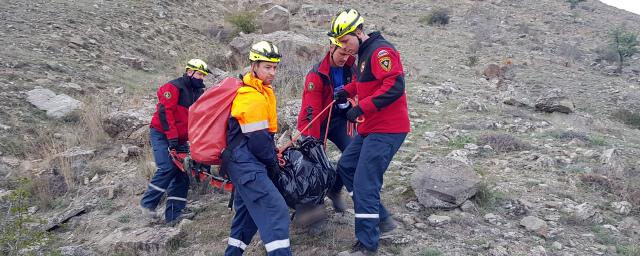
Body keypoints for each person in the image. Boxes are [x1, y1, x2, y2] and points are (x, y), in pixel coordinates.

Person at [329, 9, 411, 255]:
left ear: (358, 32)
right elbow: (369, 82)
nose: (344, 47)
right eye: (340, 43)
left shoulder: (381, 51)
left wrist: (362, 107)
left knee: (365, 184)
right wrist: (348, 89)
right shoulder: (363, 54)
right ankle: (382, 219)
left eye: (346, 41)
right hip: (371, 127)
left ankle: (367, 244)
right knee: (346, 166)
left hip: (388, 129)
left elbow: (394, 85)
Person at [224, 41, 291, 256]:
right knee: (276, 210)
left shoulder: (260, 91)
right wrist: (273, 164)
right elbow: (259, 143)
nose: (272, 72)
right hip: (246, 165)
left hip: (242, 162)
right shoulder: (252, 97)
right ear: (254, 66)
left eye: (275, 67)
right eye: (267, 67)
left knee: (247, 213)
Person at [140, 59, 210, 225]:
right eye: (199, 73)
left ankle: (174, 214)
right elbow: (166, 115)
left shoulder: (198, 92)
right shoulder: (173, 88)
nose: (201, 78)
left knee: (183, 172)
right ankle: (147, 205)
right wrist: (171, 139)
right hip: (161, 134)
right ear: (189, 71)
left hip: (179, 138)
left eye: (203, 75)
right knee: (167, 167)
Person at [296, 42, 357, 213]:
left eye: (348, 54)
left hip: (339, 118)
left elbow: (356, 93)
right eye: (342, 54)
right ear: (332, 49)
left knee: (354, 152)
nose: (345, 58)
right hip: (317, 121)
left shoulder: (351, 68)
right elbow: (311, 113)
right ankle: (311, 206)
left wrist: (349, 105)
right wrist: (314, 144)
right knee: (315, 162)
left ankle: (335, 189)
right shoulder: (316, 75)